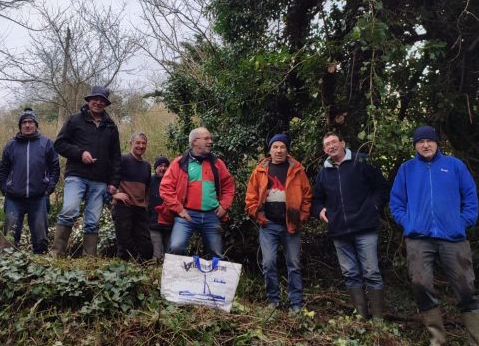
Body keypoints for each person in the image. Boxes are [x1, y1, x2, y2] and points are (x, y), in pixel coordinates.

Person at [390, 125, 479, 346]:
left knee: (465, 287)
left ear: (437, 143)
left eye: (429, 140)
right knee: (420, 283)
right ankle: (437, 341)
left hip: (453, 237)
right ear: (415, 145)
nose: (425, 145)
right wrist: (408, 222)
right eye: (420, 141)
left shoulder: (454, 165)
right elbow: (396, 202)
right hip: (419, 238)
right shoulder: (407, 169)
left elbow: (470, 196)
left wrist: (463, 221)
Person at [312, 132, 389, 319]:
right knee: (350, 273)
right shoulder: (323, 173)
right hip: (339, 231)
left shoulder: (361, 162)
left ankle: (378, 320)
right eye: (327, 144)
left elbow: (381, 187)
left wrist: (374, 206)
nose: (331, 146)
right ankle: (361, 317)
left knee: (371, 272)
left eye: (334, 142)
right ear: (324, 150)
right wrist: (320, 210)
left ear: (343, 143)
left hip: (365, 227)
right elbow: (316, 199)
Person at [245, 134, 312, 311]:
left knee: (294, 264)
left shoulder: (297, 170)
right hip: (268, 225)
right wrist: (257, 214)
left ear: (287, 150)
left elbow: (307, 195)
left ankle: (296, 303)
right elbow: (251, 196)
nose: (279, 150)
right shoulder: (260, 170)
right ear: (270, 150)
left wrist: (302, 216)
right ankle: (273, 301)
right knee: (268, 263)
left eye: (282, 147)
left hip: (291, 224)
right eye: (275, 147)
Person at [52, 86, 121, 257]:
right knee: (69, 211)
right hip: (76, 176)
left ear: (106, 104)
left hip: (100, 180)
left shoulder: (111, 126)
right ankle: (56, 255)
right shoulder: (74, 120)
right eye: (95, 99)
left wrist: (114, 183)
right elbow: (59, 144)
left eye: (102, 100)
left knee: (92, 221)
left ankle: (89, 259)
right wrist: (80, 153)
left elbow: (116, 157)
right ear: (89, 100)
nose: (98, 103)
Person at [160, 127, 235, 258]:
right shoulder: (179, 163)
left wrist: (224, 205)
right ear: (195, 142)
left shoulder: (217, 163)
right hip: (186, 215)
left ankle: (211, 272)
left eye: (210, 138)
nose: (210, 141)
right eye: (206, 138)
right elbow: (165, 188)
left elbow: (229, 185)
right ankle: (181, 271)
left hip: (212, 215)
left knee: (216, 254)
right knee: (176, 247)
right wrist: (179, 209)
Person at [0, 108, 60, 254]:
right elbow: (3, 169)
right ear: (20, 126)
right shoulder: (11, 145)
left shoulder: (47, 143)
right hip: (14, 197)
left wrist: (48, 189)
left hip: (39, 196)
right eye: (24, 122)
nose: (27, 125)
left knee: (40, 236)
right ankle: (8, 261)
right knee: (10, 235)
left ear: (36, 124)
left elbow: (55, 168)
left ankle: (39, 260)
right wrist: (5, 188)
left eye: (30, 122)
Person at [111, 132, 154, 261]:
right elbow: (108, 177)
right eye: (138, 143)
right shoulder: (122, 159)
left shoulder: (147, 165)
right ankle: (121, 270)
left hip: (140, 209)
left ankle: (142, 269)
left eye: (143, 143)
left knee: (146, 247)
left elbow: (147, 188)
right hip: (123, 207)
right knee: (124, 245)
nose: (141, 146)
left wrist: (146, 204)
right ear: (131, 143)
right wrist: (114, 194)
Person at [148, 156, 173, 260]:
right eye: (160, 166)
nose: (163, 168)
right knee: (156, 255)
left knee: (170, 257)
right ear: (155, 168)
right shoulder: (149, 180)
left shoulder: (173, 182)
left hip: (170, 225)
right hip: (153, 224)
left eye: (165, 166)